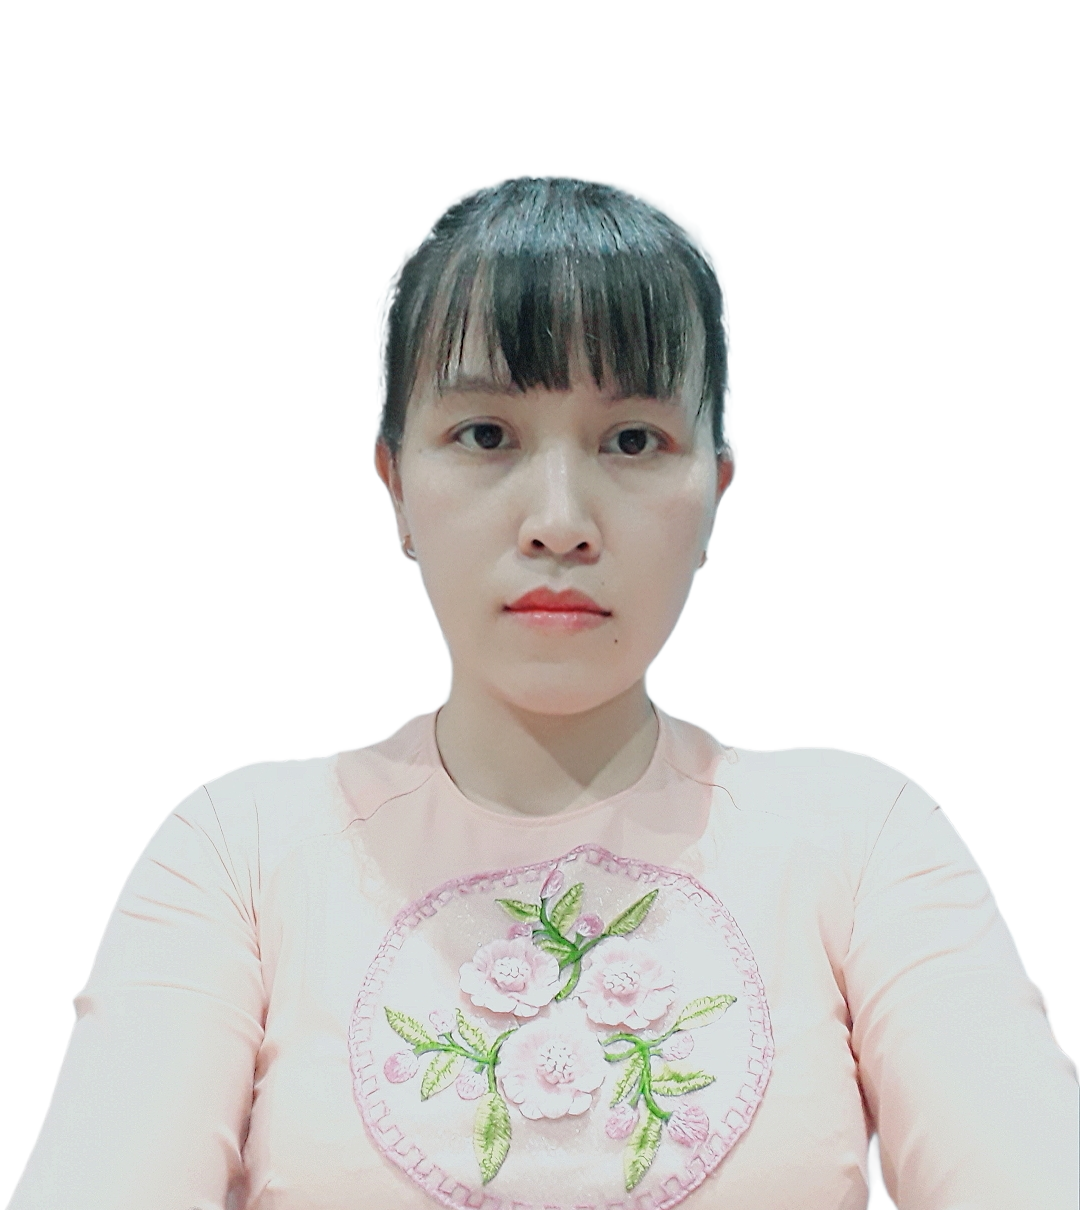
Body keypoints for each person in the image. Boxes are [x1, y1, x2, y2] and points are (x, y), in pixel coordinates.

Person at [8, 177, 1076, 1210]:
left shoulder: (862, 843)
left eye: (633, 440)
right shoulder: (238, 857)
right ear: (396, 485)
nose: (559, 521)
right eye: (486, 436)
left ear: (715, 489)